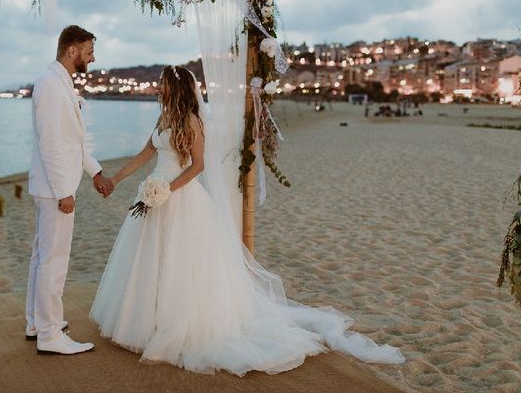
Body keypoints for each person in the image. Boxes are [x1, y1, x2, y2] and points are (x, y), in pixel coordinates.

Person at [89, 65, 405, 375]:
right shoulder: (163, 118)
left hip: (179, 195)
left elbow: (197, 166)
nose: (158, 87)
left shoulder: (192, 121)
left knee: (180, 263)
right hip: (153, 194)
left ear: (177, 87)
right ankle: (145, 320)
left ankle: (175, 323)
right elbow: (145, 154)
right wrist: (116, 179)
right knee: (149, 261)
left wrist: (167, 189)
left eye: (162, 83)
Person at [27, 25, 114, 355]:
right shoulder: (50, 84)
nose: (93, 57)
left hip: (54, 183)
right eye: (89, 50)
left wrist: (95, 171)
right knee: (54, 261)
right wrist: (65, 191)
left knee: (42, 257)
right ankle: (49, 334)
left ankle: (36, 322)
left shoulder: (60, 82)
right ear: (72, 50)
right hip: (54, 187)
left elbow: (71, 140)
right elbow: (50, 142)